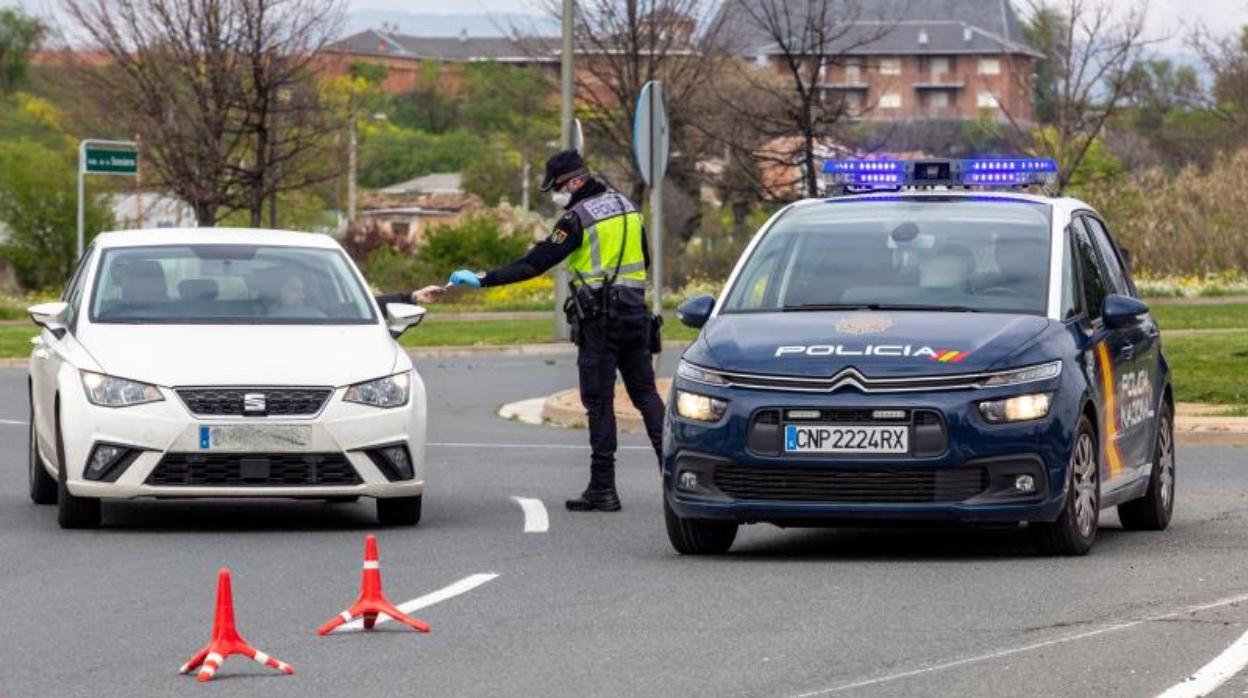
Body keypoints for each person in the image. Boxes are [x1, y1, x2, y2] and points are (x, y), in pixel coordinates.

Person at [445, 149, 665, 513]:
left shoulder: (577, 218)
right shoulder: (627, 207)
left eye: (557, 189)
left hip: (601, 320)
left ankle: (603, 488)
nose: (557, 197)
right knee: (645, 395)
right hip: (636, 315)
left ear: (575, 182)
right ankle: (673, 478)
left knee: (599, 402)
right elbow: (646, 258)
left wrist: (483, 279)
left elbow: (535, 263)